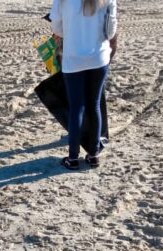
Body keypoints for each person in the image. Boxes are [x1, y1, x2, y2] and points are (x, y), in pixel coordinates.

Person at [50, 0, 117, 169]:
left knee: (76, 108)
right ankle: (94, 155)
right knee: (94, 105)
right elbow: (111, 30)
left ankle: (73, 158)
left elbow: (56, 27)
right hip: (99, 58)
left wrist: (72, 30)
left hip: (73, 58)